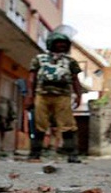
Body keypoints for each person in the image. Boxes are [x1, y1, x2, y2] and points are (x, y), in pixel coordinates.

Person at [24, 31, 83, 163]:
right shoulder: (39, 59)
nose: (61, 45)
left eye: (64, 43)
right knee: (39, 124)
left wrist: (79, 96)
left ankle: (72, 154)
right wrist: (29, 95)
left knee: (68, 125)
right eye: (58, 43)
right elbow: (32, 78)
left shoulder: (70, 61)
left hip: (63, 96)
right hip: (42, 95)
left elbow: (75, 80)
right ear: (52, 44)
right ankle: (35, 153)